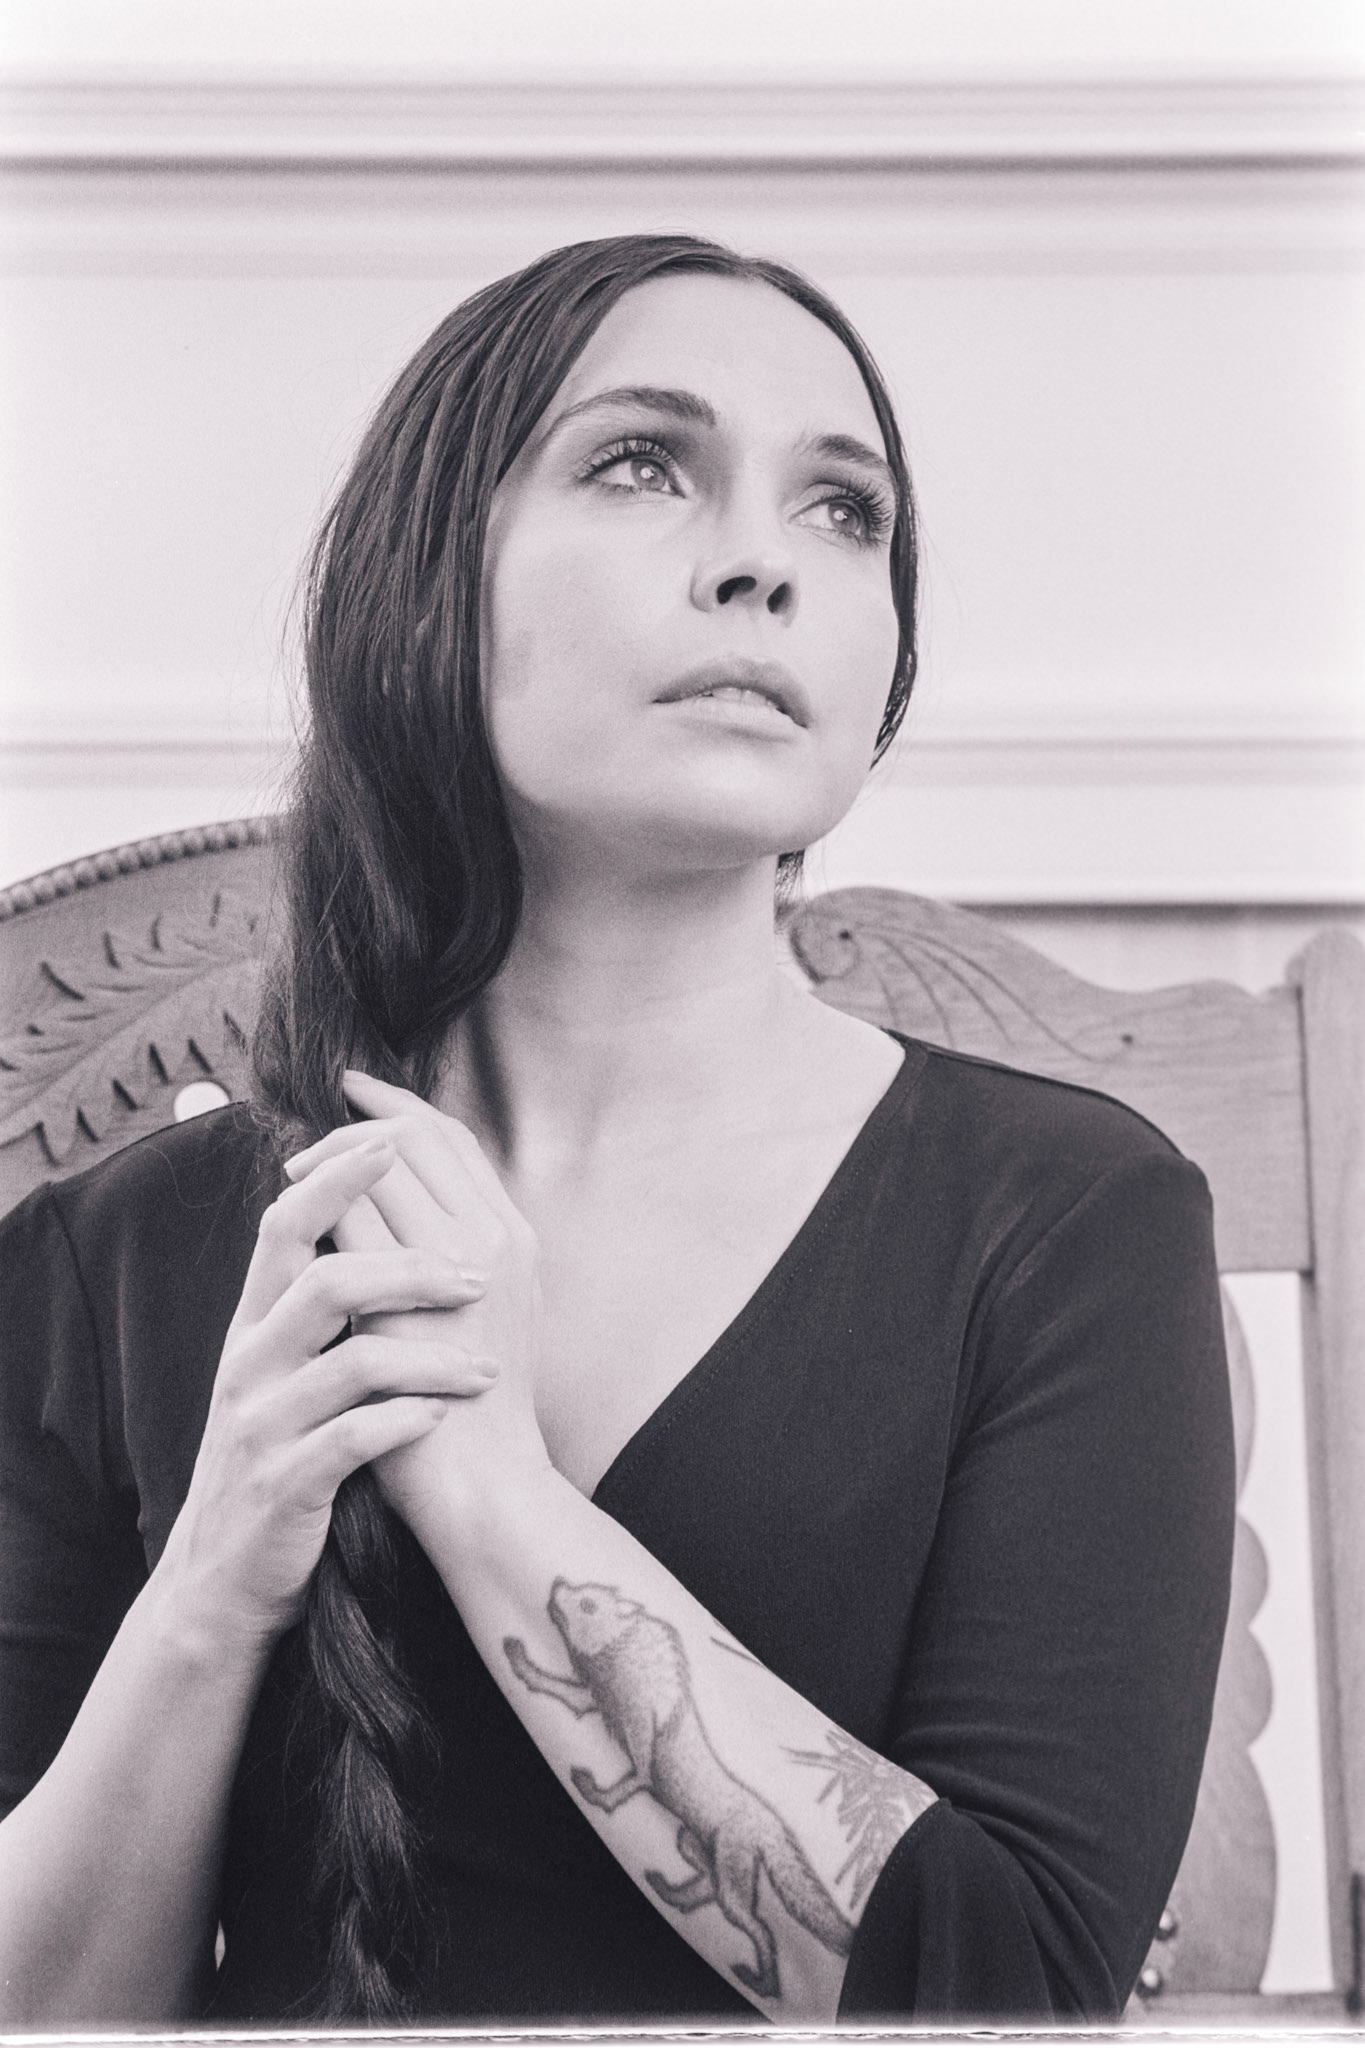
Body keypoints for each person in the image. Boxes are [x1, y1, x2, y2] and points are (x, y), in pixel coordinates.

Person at [0, 234, 1234, 2028]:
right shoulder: (104, 1260)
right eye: (643, 464)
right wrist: (215, 1578)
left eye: (843, 512)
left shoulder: (1072, 1218)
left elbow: (1015, 1997)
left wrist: (489, 1486)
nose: (762, 560)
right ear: (427, 584)